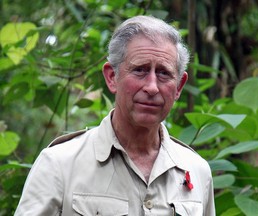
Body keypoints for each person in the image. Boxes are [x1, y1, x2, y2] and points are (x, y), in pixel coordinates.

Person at [15, 15, 215, 215]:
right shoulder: (59, 164)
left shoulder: (197, 171)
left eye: (164, 73)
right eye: (140, 70)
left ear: (179, 86)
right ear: (112, 77)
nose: (152, 87)